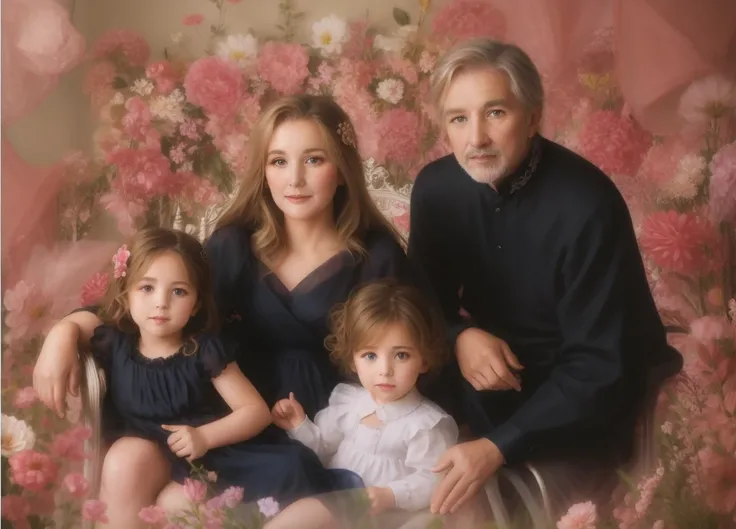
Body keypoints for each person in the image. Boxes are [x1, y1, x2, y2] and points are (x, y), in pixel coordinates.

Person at [32, 94, 409, 528]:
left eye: (315, 160)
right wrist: (65, 331)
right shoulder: (234, 245)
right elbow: (151, 308)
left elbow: (411, 342)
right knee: (167, 498)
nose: (296, 179)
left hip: (323, 423)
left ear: (341, 169)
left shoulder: (375, 255)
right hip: (228, 419)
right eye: (279, 162)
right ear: (263, 171)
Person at [406, 38, 683, 517]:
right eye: (458, 119)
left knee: (498, 508)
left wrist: (497, 447)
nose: (476, 138)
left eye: (495, 113)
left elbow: (601, 366)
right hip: (488, 380)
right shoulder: (435, 188)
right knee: (397, 467)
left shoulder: (587, 203)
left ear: (532, 116)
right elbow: (421, 300)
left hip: (583, 399)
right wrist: (458, 335)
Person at [79, 228, 332, 518]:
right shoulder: (116, 342)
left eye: (179, 291)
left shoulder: (202, 350)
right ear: (126, 294)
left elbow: (255, 411)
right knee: (124, 482)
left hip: (209, 456)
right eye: (147, 288)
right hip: (152, 458)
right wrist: (60, 336)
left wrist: (204, 437)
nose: (161, 302)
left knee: (282, 474)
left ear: (196, 302)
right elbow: (77, 329)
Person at [266, 279, 459, 529]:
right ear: (353, 360)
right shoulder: (350, 402)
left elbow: (433, 480)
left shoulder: (424, 424)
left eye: (401, 355)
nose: (385, 370)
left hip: (385, 517)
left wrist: (391, 495)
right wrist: (299, 424)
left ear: (423, 360)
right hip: (335, 500)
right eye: (370, 356)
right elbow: (324, 448)